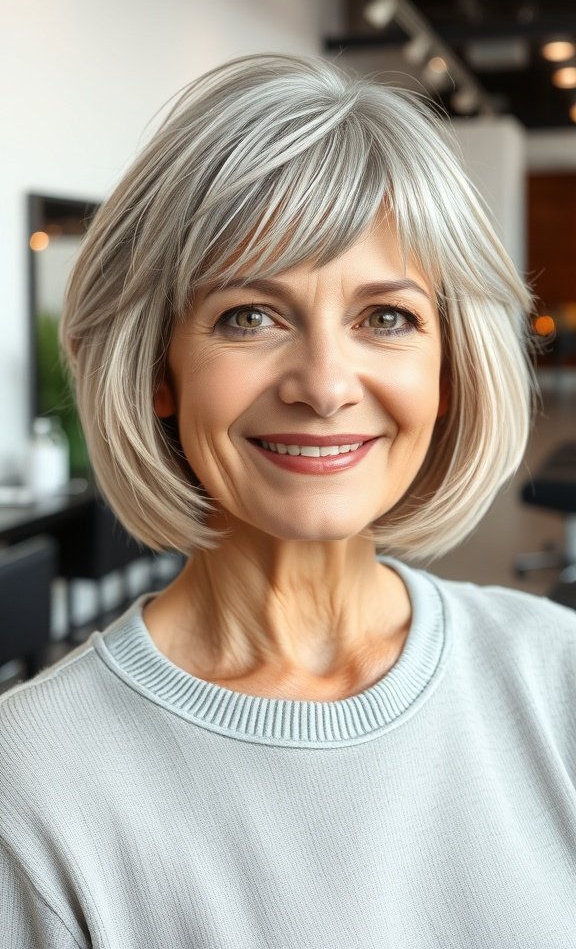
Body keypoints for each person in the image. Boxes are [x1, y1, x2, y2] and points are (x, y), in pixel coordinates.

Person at [1, 53, 575, 949]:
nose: (324, 384)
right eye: (249, 316)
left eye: (386, 317)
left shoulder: (558, 680)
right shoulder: (31, 779)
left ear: (449, 369)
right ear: (161, 370)